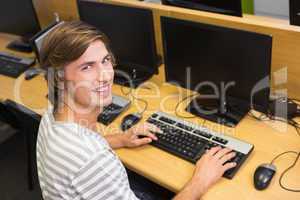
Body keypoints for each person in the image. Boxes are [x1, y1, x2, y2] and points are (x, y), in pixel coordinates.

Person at [36, 21, 237, 200]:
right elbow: (88, 160)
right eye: (87, 67)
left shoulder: (53, 114)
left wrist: (121, 139)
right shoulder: (92, 163)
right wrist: (201, 180)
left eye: (105, 60)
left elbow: (86, 151)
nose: (105, 75)